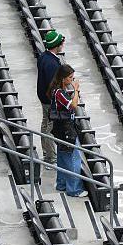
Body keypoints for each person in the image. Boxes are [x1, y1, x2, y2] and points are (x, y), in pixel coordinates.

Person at [47, 64, 84, 197]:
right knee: (74, 158)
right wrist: (76, 91)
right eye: (70, 77)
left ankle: (62, 184)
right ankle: (74, 189)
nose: (72, 80)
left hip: (61, 128)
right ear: (63, 78)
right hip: (65, 129)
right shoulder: (59, 93)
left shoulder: (58, 91)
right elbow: (73, 105)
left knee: (62, 157)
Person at [36, 30, 65, 164]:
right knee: (49, 128)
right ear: (57, 45)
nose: (63, 45)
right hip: (49, 101)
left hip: (44, 98)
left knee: (45, 125)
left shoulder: (44, 57)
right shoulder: (51, 64)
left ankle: (48, 154)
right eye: (61, 43)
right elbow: (53, 85)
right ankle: (50, 158)